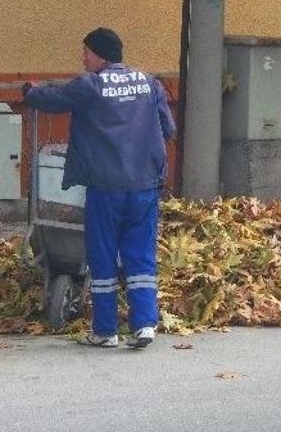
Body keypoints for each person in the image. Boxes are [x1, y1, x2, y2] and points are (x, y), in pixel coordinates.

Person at [23, 27, 176, 349]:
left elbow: (55, 99)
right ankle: (145, 325)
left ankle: (105, 331)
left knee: (103, 254)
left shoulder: (90, 86)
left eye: (86, 53)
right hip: (144, 185)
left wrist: (30, 91)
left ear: (100, 55)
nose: (83, 58)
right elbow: (169, 128)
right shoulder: (150, 83)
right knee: (140, 254)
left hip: (106, 186)